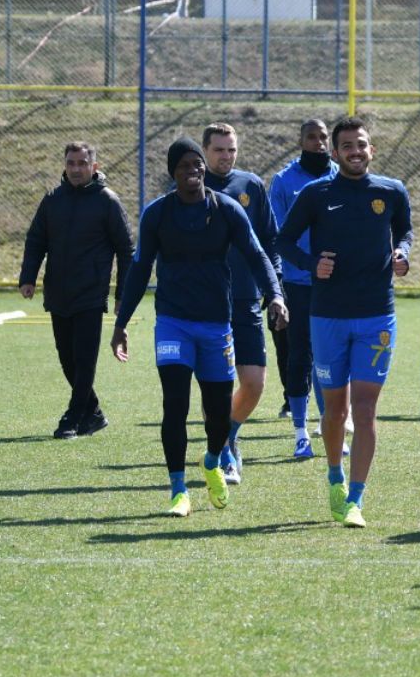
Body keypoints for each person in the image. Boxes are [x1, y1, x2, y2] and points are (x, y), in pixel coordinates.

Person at [111, 138, 285, 517]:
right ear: (173, 173)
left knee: (218, 411)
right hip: (173, 322)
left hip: (216, 324)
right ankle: (178, 490)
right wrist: (120, 323)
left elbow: (256, 255)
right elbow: (140, 269)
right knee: (175, 403)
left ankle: (211, 461)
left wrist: (275, 294)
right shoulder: (157, 214)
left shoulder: (225, 210)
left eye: (198, 166)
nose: (194, 172)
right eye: (186, 166)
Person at [273, 115, 412, 529]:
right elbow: (281, 240)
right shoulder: (317, 193)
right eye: (347, 146)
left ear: (372, 149)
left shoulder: (391, 191)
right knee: (334, 411)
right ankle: (334, 474)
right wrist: (312, 264)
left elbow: (405, 231)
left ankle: (355, 499)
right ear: (334, 153)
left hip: (376, 316)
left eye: (362, 144)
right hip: (328, 316)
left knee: (365, 412)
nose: (355, 151)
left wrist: (403, 252)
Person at [17, 141, 134, 439]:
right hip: (58, 293)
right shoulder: (53, 199)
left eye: (82, 163)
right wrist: (28, 277)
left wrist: (123, 294)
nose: (76, 169)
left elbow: (125, 249)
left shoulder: (107, 201)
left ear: (93, 167)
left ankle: (72, 416)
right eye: (71, 163)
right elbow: (36, 241)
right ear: (65, 165)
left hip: (91, 294)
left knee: (84, 358)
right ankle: (93, 413)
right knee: (67, 358)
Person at [200, 123, 278, 485]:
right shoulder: (190, 188)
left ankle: (229, 431)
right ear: (205, 151)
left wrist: (274, 288)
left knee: (254, 383)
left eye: (231, 150)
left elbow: (268, 242)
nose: (225, 156)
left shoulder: (251, 186)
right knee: (216, 383)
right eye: (218, 150)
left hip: (246, 299)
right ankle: (224, 454)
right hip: (205, 304)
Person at [267, 118, 335, 459]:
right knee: (299, 356)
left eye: (323, 137)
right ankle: (299, 431)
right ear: (301, 141)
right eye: (312, 137)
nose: (318, 142)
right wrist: (278, 284)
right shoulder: (283, 181)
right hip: (297, 281)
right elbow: (277, 236)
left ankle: (330, 424)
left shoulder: (339, 175)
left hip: (336, 284)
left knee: (331, 357)